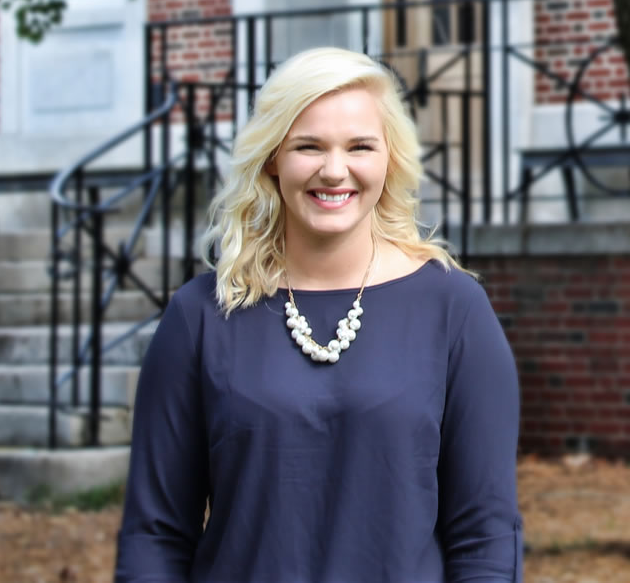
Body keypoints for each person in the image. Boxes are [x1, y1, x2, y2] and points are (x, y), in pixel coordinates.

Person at [115, 47, 522, 582]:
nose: (334, 171)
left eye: (360, 146)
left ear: (389, 159)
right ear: (272, 159)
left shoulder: (453, 310)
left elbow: (486, 537)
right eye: (308, 146)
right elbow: (155, 535)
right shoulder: (200, 317)